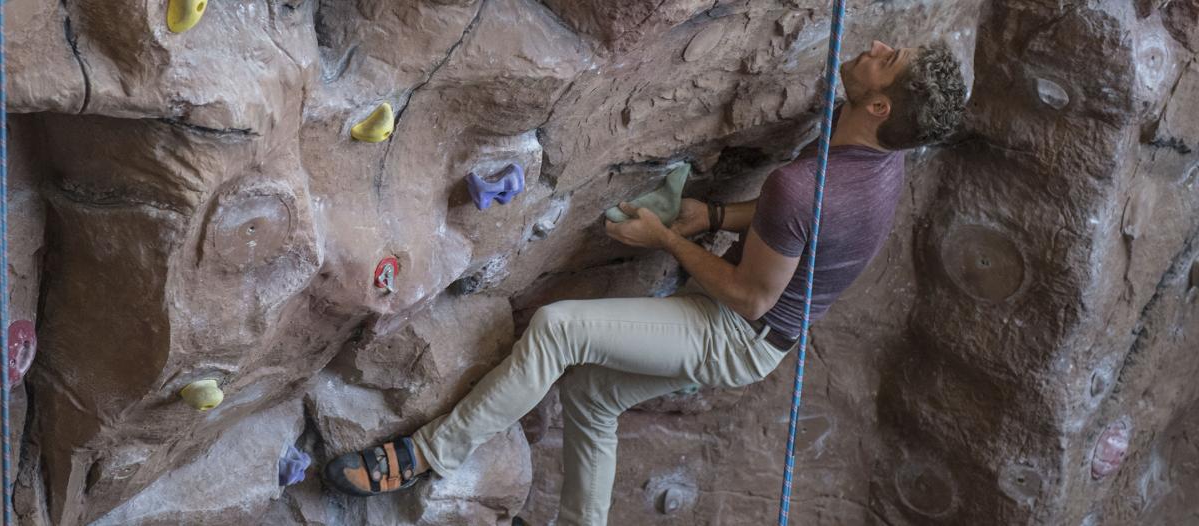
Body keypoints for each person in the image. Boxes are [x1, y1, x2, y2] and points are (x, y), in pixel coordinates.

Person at [323, 40, 967, 525]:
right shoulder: (882, 158)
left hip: (738, 331)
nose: (877, 47)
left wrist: (665, 239)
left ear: (879, 106)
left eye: (889, 59)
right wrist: (713, 215)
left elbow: (751, 292)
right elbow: (793, 230)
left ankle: (425, 457)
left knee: (558, 330)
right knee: (595, 398)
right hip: (761, 329)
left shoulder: (806, 187)